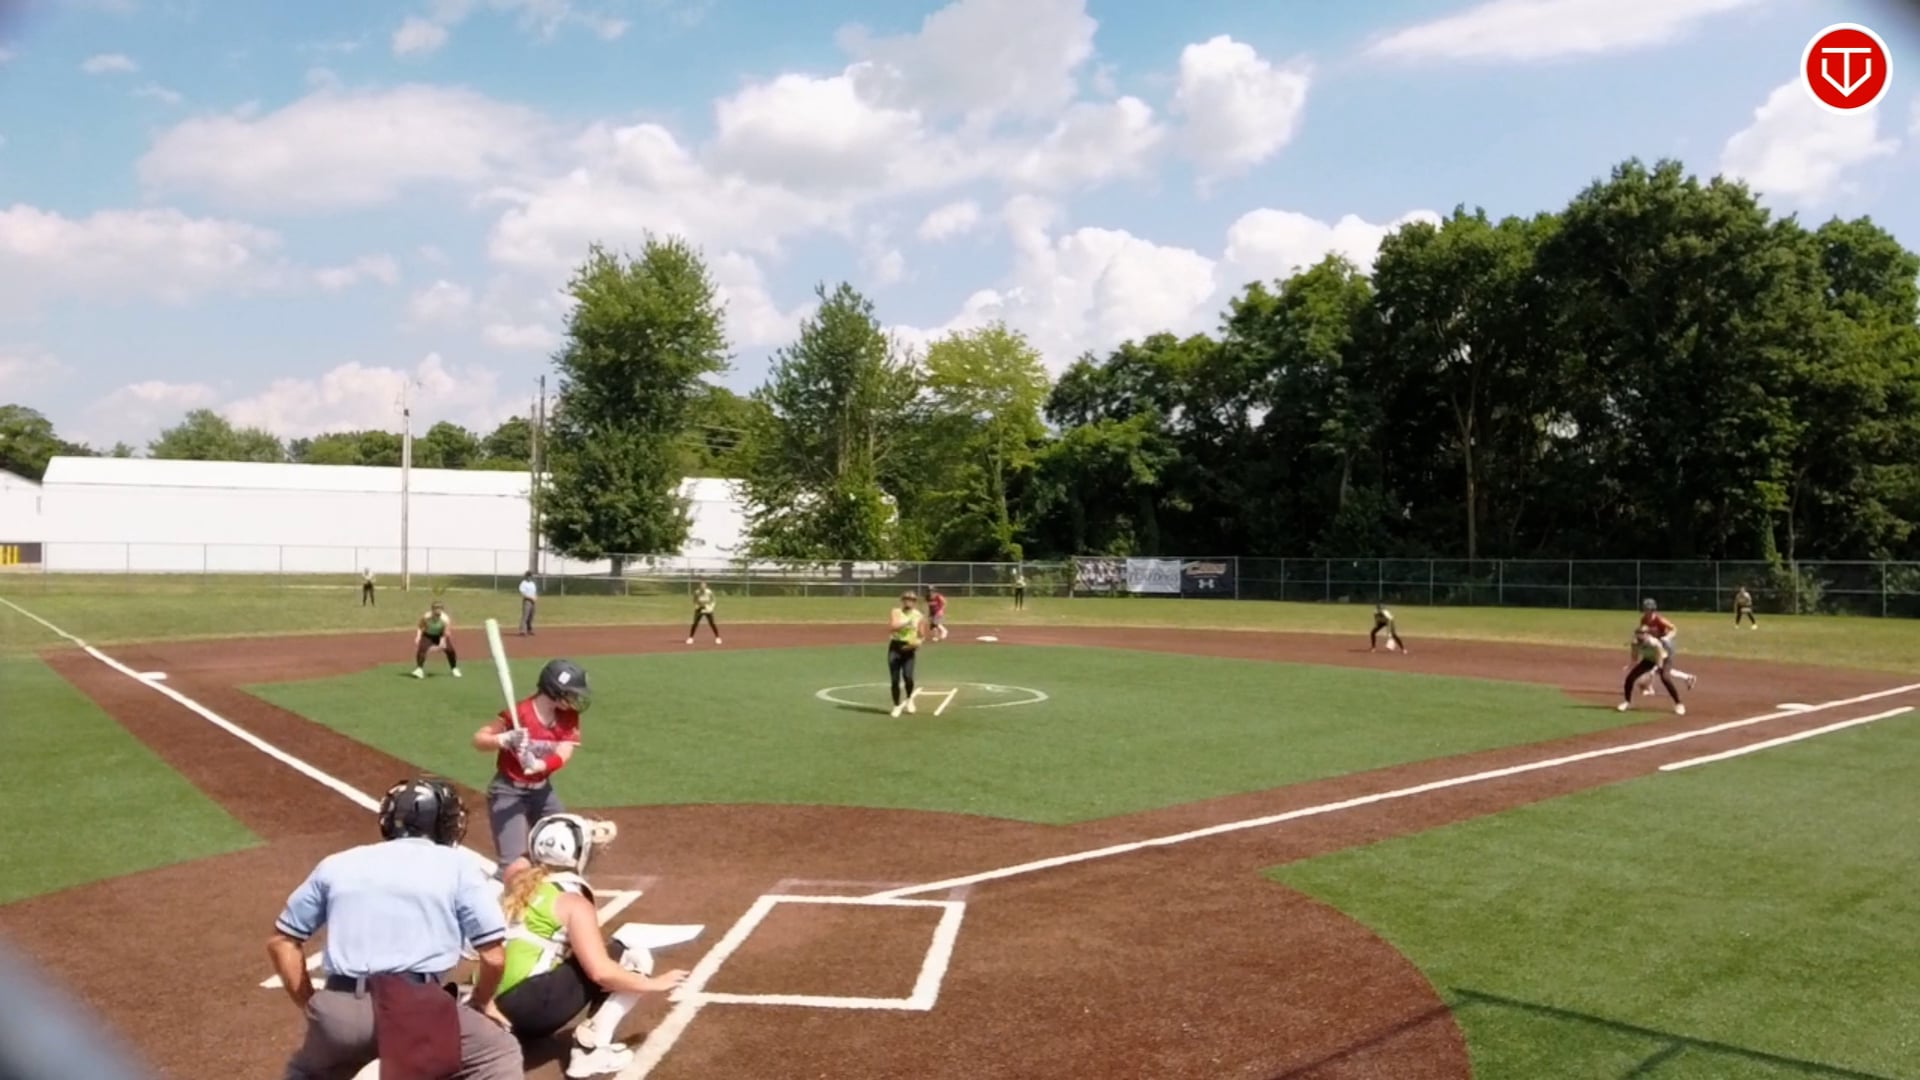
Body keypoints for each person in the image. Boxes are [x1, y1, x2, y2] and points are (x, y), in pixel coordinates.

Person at [267, 777, 522, 1080]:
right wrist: (481, 1001)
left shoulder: (336, 864)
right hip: (418, 1010)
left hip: (339, 1012)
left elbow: (282, 942)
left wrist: (312, 1004)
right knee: (498, 1051)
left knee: (307, 1072)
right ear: (444, 823)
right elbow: (493, 957)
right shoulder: (457, 866)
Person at [492, 814, 690, 1078]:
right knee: (628, 951)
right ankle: (589, 1052)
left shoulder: (515, 880)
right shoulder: (573, 902)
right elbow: (600, 972)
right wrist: (654, 984)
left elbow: (523, 860)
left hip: (490, 1008)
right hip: (530, 1012)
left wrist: (551, 840)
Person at [473, 659, 590, 882]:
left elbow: (564, 752)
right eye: (570, 693)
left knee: (567, 847)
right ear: (554, 690)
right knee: (512, 866)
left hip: (542, 793)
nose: (575, 699)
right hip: (508, 791)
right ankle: (498, 899)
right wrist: (503, 739)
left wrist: (539, 765)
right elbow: (479, 740)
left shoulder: (569, 717)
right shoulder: (518, 714)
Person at [1636, 599, 1696, 695]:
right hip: (1655, 645)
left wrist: (1667, 637)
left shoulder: (1659, 619)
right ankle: (1688, 677)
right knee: (1661, 669)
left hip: (1666, 645)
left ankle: (1649, 688)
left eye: (1647, 609)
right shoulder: (1644, 619)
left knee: (1656, 667)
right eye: (1644, 609)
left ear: (1652, 609)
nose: (1645, 611)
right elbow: (1643, 632)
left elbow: (1674, 628)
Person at [1619, 629, 1684, 715]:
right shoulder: (1635, 643)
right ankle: (1627, 702)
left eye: (1643, 634)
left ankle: (1678, 704)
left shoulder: (1654, 643)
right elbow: (1634, 657)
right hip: (1648, 660)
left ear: (1647, 634)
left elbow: (1659, 657)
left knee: (1665, 678)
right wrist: (1630, 666)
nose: (1640, 636)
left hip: (1664, 660)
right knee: (1630, 678)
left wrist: (1655, 669)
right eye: (1638, 634)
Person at [887, 591, 924, 718]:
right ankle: (896, 705)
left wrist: (919, 642)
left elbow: (921, 633)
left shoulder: (918, 615)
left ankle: (909, 699)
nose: (909, 601)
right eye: (906, 599)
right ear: (902, 600)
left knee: (908, 676)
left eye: (911, 600)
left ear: (914, 602)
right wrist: (907, 622)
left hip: (909, 648)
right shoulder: (896, 612)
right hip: (895, 647)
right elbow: (892, 627)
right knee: (895, 679)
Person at [413, 599, 462, 680]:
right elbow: (420, 626)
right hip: (428, 635)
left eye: (440, 608)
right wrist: (418, 637)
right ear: (432, 609)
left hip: (440, 635)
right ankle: (419, 669)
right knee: (422, 649)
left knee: (450, 650)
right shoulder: (426, 616)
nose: (438, 610)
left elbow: (446, 631)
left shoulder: (445, 619)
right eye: (436, 608)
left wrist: (442, 642)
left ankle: (454, 669)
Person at [686, 580, 720, 645]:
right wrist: (696, 606)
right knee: (695, 623)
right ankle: (690, 638)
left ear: (706, 586)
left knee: (712, 623)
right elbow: (694, 600)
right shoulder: (697, 592)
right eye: (701, 585)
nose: (702, 587)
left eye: (704, 585)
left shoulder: (709, 592)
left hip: (708, 609)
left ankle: (717, 637)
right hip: (699, 608)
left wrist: (711, 607)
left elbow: (713, 600)